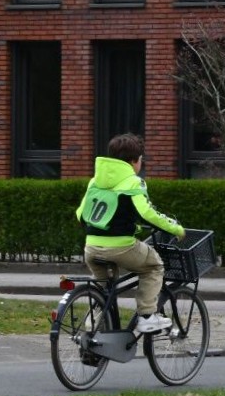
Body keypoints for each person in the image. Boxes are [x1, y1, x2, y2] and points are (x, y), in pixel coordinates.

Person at [74, 132, 187, 334]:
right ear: (135, 161)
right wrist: (175, 228)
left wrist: (126, 227)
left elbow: (81, 214)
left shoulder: (95, 181)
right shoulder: (133, 182)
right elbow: (147, 213)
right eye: (141, 160)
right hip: (120, 247)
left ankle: (93, 332)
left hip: (91, 247)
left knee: (104, 290)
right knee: (153, 266)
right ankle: (147, 317)